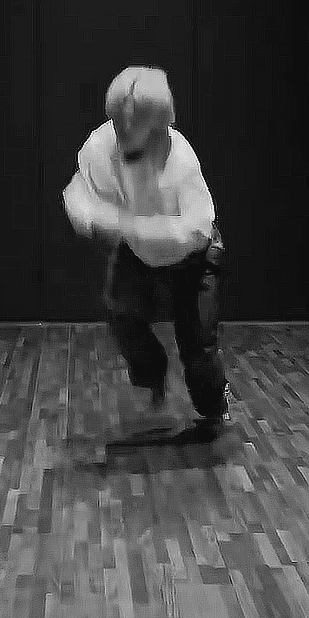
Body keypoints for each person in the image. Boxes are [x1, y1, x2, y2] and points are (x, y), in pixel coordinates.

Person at [62, 65, 230, 429]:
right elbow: (79, 191)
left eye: (132, 122)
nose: (121, 130)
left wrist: (129, 225)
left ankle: (214, 404)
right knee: (121, 313)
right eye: (117, 121)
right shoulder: (100, 145)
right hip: (138, 252)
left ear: (157, 125)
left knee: (198, 349)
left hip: (194, 258)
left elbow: (196, 228)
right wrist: (89, 218)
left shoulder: (180, 160)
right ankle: (152, 374)